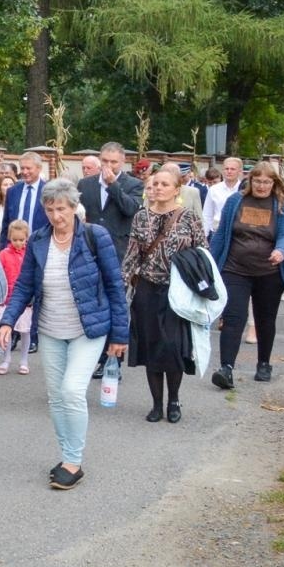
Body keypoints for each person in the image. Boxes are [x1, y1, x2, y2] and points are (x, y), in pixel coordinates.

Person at [0, 178, 129, 491]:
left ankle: (74, 460)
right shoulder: (39, 240)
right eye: (51, 209)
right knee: (57, 397)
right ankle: (67, 456)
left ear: (74, 208)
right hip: (51, 329)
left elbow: (115, 286)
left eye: (62, 209)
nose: (57, 215)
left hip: (89, 328)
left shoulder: (96, 237)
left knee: (71, 391)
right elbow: (25, 285)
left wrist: (120, 335)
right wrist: (7, 320)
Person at [121, 166, 207, 423]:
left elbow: (202, 252)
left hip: (177, 292)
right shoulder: (141, 217)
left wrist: (201, 288)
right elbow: (132, 254)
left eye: (164, 184)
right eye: (155, 183)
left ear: (176, 190)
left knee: (172, 347)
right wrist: (120, 285)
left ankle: (174, 399)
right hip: (147, 289)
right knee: (151, 348)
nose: (158, 188)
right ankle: (157, 404)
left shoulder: (188, 217)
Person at [210, 161, 284, 389]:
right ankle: (226, 368)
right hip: (235, 269)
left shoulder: (281, 204)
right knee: (233, 318)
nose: (261, 186)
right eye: (257, 181)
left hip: (268, 272)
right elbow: (221, 234)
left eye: (266, 182)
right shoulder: (235, 201)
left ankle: (263, 363)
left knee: (264, 319)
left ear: (274, 183)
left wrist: (280, 251)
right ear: (250, 181)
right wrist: (211, 261)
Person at [78, 141, 144, 263]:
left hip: (118, 250)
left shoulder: (135, 184)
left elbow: (130, 209)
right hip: (89, 248)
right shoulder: (85, 184)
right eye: (105, 161)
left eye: (113, 162)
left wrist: (113, 185)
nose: (108, 165)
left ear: (122, 162)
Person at [0, 219, 31, 375]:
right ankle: (6, 358)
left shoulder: (30, 254)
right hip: (5, 299)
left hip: (26, 300)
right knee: (5, 330)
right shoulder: (3, 254)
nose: (18, 243)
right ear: (9, 238)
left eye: (21, 240)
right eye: (14, 240)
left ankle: (24, 360)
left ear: (26, 238)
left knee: (25, 331)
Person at [0, 152, 46, 247]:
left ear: (39, 168)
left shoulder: (48, 191)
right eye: (22, 168)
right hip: (14, 249)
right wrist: (3, 249)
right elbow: (6, 223)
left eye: (28, 168)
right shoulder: (12, 191)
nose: (25, 172)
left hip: (40, 247)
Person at [203, 156, 244, 235]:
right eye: (226, 169)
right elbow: (207, 214)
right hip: (216, 232)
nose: (229, 171)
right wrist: (205, 235)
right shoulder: (214, 189)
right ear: (222, 171)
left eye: (232, 169)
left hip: (237, 234)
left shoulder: (244, 190)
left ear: (240, 171)